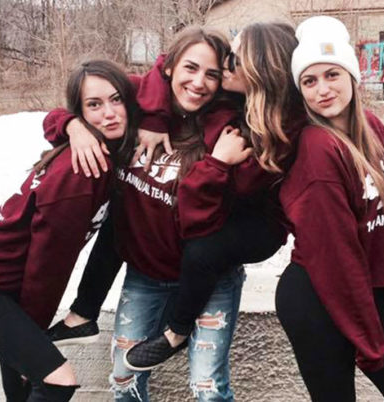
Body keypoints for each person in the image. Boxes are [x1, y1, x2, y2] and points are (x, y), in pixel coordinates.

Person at [43, 26, 248, 401]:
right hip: (146, 277)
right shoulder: (138, 102)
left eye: (211, 74)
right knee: (123, 380)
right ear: (169, 67)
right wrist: (74, 127)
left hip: (211, 280)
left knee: (208, 388)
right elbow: (73, 106)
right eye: (190, 68)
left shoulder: (227, 125)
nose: (198, 83)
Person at [123, 21, 306, 370]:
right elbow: (164, 66)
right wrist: (156, 117)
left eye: (234, 59)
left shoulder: (284, 126)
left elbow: (224, 197)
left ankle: (176, 331)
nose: (224, 64)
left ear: (260, 71)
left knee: (203, 249)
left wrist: (219, 162)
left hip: (259, 223)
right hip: (218, 201)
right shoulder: (229, 96)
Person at [274, 16, 384, 401]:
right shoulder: (318, 148)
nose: (323, 89)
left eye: (332, 74)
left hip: (362, 289)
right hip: (318, 294)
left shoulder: (371, 128)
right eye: (309, 81)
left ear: (352, 75)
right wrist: (370, 340)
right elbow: (335, 253)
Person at [0, 59, 137, 402]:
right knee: (57, 382)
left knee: (23, 390)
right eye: (94, 105)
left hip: (3, 288)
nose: (109, 113)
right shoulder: (82, 173)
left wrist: (70, 124)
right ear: (81, 113)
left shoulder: (94, 153)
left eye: (116, 100)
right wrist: (35, 329)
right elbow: (48, 263)